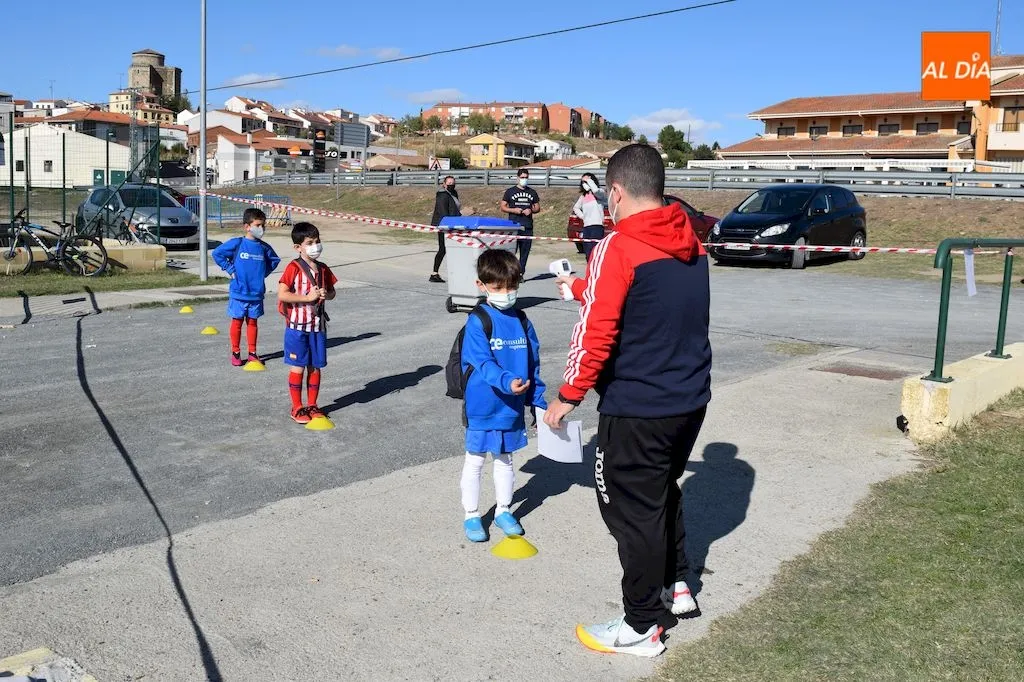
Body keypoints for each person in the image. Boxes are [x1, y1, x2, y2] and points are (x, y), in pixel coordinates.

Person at [544, 144, 712, 658]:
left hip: (638, 407)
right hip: (688, 398)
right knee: (661, 491)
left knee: (628, 511)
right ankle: (677, 584)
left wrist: (567, 396)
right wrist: (579, 286)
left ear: (614, 192)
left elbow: (596, 331)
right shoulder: (692, 242)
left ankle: (641, 624)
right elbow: (647, 307)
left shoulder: (617, 246)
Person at [459, 249, 547, 542]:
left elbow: (533, 364)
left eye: (512, 286)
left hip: (511, 407)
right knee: (475, 461)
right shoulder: (478, 321)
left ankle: (504, 511)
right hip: (483, 406)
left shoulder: (522, 321)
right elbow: (482, 363)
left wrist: (538, 403)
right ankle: (472, 516)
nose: (506, 293)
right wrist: (507, 381)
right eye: (498, 288)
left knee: (505, 459)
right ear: (481, 286)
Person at [277, 222, 338, 425]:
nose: (316, 246)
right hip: (297, 327)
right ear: (298, 247)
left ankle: (312, 404)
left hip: (317, 327)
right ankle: (297, 407)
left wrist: (325, 294)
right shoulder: (293, 268)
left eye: (318, 241)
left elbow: (333, 292)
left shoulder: (323, 269)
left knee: (315, 367)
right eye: (310, 242)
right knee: (298, 367)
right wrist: (308, 297)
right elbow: (282, 294)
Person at [212, 208, 281, 367]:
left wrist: (262, 273)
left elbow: (274, 261)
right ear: (247, 226)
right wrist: (229, 269)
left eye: (263, 226)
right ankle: (236, 352)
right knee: (237, 322)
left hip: (256, 294)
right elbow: (217, 254)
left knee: (253, 323)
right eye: (258, 225)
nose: (261, 229)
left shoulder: (264, 247)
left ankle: (252, 353)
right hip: (238, 293)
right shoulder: (238, 243)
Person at [500, 168, 541, 278]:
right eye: (522, 177)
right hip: (513, 226)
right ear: (518, 178)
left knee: (524, 252)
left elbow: (537, 207)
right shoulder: (510, 191)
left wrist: (531, 210)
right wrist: (513, 210)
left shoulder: (532, 192)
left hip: (527, 226)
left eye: (526, 177)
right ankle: (509, 273)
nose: (524, 179)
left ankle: (520, 273)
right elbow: (503, 207)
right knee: (511, 251)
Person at [429, 175, 462, 283]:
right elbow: (443, 212)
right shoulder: (442, 195)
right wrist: (449, 225)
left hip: (454, 224)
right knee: (443, 249)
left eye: (453, 184)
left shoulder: (454, 193)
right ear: (444, 184)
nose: (451, 186)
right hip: (444, 225)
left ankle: (456, 272)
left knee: (452, 249)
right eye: (449, 184)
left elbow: (455, 209)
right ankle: (434, 273)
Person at [572, 173, 606, 262]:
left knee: (594, 252)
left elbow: (595, 191)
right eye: (583, 181)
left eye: (586, 181)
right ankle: (589, 273)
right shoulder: (583, 196)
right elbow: (576, 208)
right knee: (587, 253)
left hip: (597, 226)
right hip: (587, 227)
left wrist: (588, 180)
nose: (585, 183)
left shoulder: (600, 193)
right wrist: (583, 217)